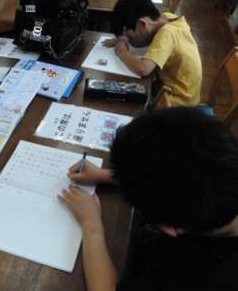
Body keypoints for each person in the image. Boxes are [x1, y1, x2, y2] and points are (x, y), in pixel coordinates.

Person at [59, 107, 238, 291]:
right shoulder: (222, 179)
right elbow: (185, 175)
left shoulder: (196, 279)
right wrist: (111, 176)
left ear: (168, 228)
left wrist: (91, 226)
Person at [104, 0, 202, 108]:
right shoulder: (167, 18)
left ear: (142, 24)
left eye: (130, 38)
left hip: (176, 105)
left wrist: (121, 51)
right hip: (181, 94)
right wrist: (124, 37)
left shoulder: (167, 34)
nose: (129, 41)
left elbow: (143, 69)